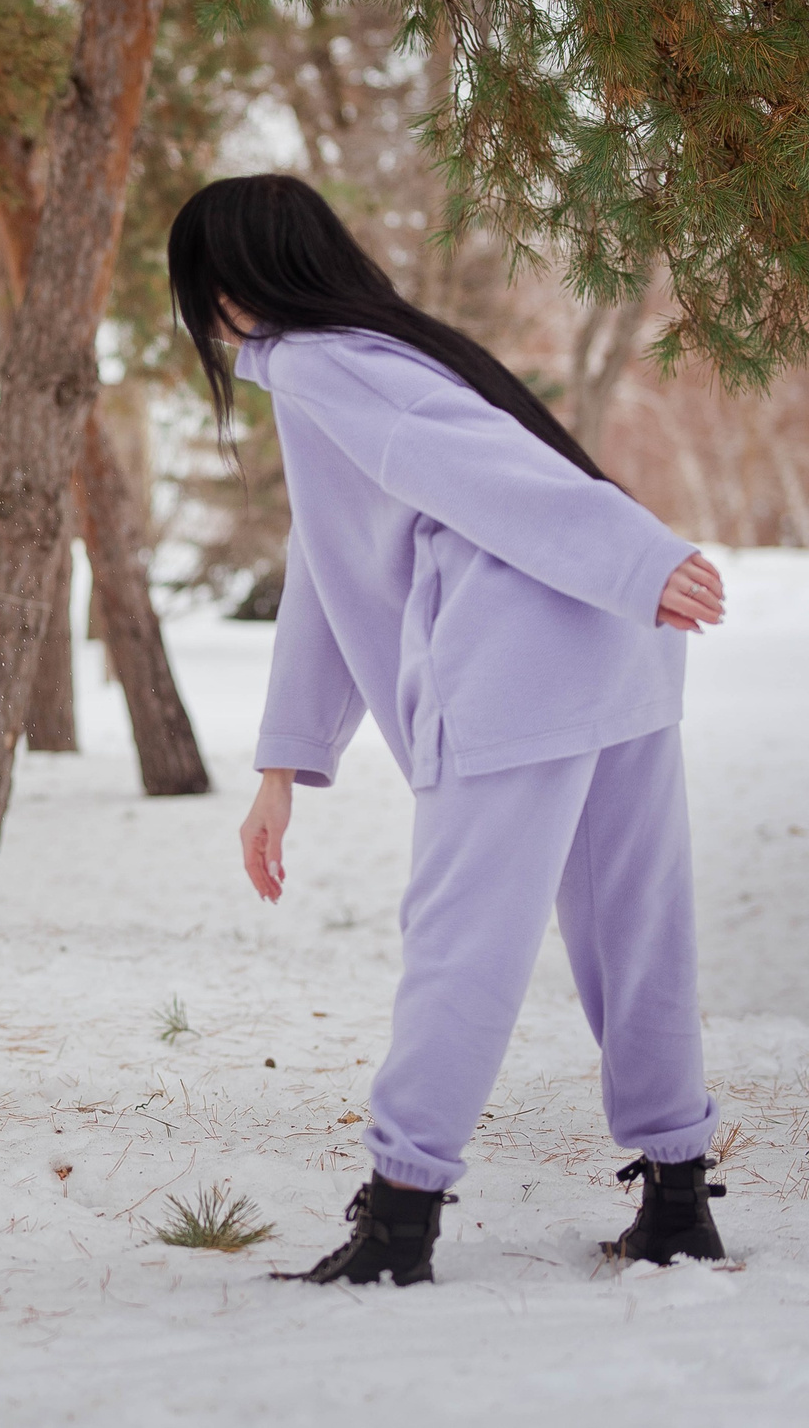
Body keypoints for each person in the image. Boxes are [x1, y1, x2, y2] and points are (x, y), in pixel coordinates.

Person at [169, 175, 730, 1286]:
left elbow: (478, 462)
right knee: (636, 924)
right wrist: (285, 763)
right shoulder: (387, 349)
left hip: (525, 660)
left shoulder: (322, 362)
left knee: (463, 938)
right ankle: (676, 1198)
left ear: (231, 281)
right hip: (612, 646)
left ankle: (399, 1219)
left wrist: (636, 559)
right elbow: (326, 568)